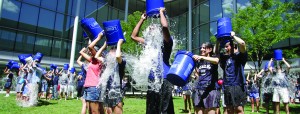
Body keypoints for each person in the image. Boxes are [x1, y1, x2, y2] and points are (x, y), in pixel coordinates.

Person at [131, 8, 174, 114]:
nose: (150, 28)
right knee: (151, 110)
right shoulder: (148, 44)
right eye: (149, 28)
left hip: (164, 79)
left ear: (159, 32)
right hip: (152, 79)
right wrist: (142, 19)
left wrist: (161, 13)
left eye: (153, 27)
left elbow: (164, 26)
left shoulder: (167, 43)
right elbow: (133, 36)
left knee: (165, 110)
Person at [216, 31, 247, 114]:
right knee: (229, 110)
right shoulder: (225, 58)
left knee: (239, 109)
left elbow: (242, 43)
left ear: (233, 46)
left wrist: (234, 37)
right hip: (227, 86)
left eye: (227, 46)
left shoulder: (240, 56)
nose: (225, 48)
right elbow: (217, 53)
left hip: (238, 86)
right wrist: (217, 41)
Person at [80, 32, 105, 114]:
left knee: (94, 111)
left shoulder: (98, 60)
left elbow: (90, 47)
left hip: (93, 87)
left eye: (93, 51)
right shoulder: (92, 60)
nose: (90, 52)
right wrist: (89, 38)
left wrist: (98, 38)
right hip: (88, 87)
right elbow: (82, 53)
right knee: (91, 111)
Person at [192, 42, 220, 114]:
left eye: (204, 48)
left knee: (210, 112)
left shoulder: (213, 58)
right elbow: (198, 73)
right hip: (199, 88)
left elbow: (216, 61)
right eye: (201, 48)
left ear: (210, 49)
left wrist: (202, 57)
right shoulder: (199, 61)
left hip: (211, 90)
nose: (201, 49)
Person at [100, 39, 126, 114]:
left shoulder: (122, 61)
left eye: (113, 49)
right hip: (107, 90)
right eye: (111, 49)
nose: (110, 51)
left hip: (116, 91)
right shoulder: (108, 63)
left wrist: (119, 44)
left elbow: (118, 56)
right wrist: (104, 46)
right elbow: (96, 56)